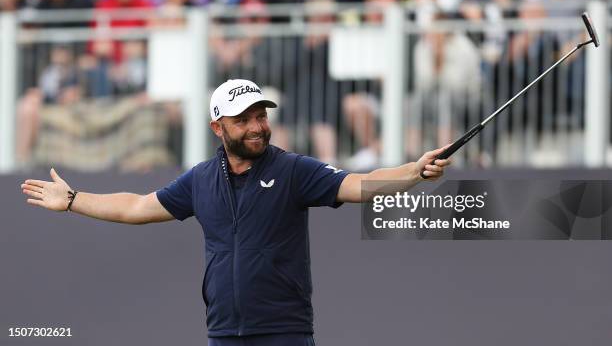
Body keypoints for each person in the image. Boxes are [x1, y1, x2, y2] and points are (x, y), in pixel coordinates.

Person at [20, 79, 451, 346]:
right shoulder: (201, 179)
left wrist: (413, 172)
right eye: (243, 119)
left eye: (260, 116)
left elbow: (359, 184)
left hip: (284, 331)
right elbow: (136, 206)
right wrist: (74, 200)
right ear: (218, 127)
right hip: (223, 333)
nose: (257, 126)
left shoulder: (293, 169)